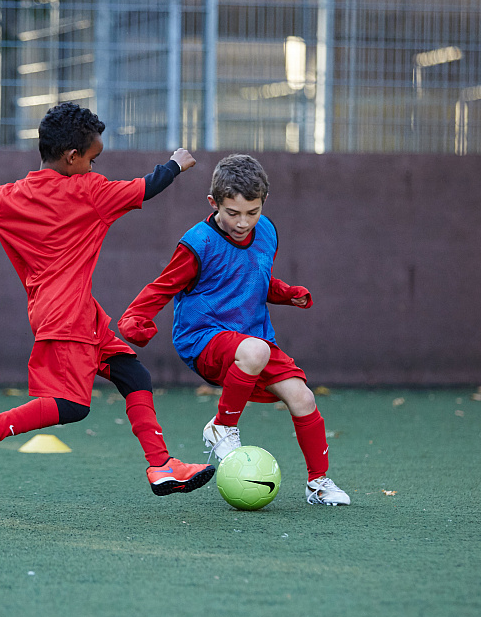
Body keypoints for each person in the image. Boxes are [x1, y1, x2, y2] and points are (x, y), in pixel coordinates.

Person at [0, 102, 215, 497]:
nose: (95, 167)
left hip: (72, 313)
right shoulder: (90, 191)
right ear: (72, 157)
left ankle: (162, 467)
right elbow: (147, 186)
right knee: (71, 406)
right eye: (93, 159)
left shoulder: (8, 198)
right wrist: (176, 163)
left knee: (133, 374)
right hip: (67, 318)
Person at [117, 154, 350, 506]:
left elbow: (254, 278)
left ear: (263, 204)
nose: (243, 222)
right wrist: (134, 317)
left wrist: (285, 294)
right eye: (233, 212)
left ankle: (318, 484)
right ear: (213, 204)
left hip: (253, 339)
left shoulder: (267, 231)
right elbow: (162, 286)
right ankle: (222, 428)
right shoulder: (197, 243)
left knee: (303, 398)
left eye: (252, 212)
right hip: (203, 338)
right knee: (255, 350)